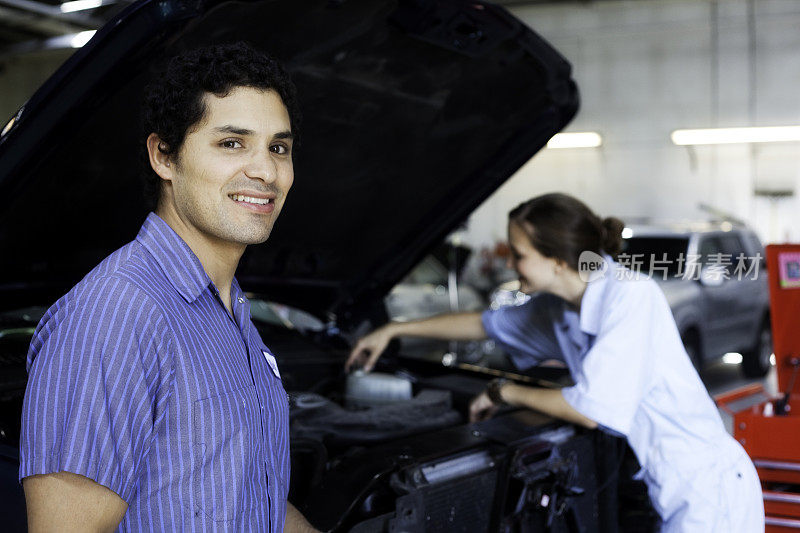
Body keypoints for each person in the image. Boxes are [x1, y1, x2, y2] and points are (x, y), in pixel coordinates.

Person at [20, 43, 317, 532]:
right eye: (232, 143)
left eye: (278, 148)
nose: (266, 172)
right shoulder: (114, 316)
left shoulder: (231, 309)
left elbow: (245, 493)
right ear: (164, 156)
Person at [346, 193, 764, 532]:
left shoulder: (630, 297)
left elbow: (588, 410)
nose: (509, 264)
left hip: (709, 493)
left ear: (559, 260)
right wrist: (395, 329)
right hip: (667, 485)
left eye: (519, 254)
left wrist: (503, 391)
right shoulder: (558, 308)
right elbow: (483, 324)